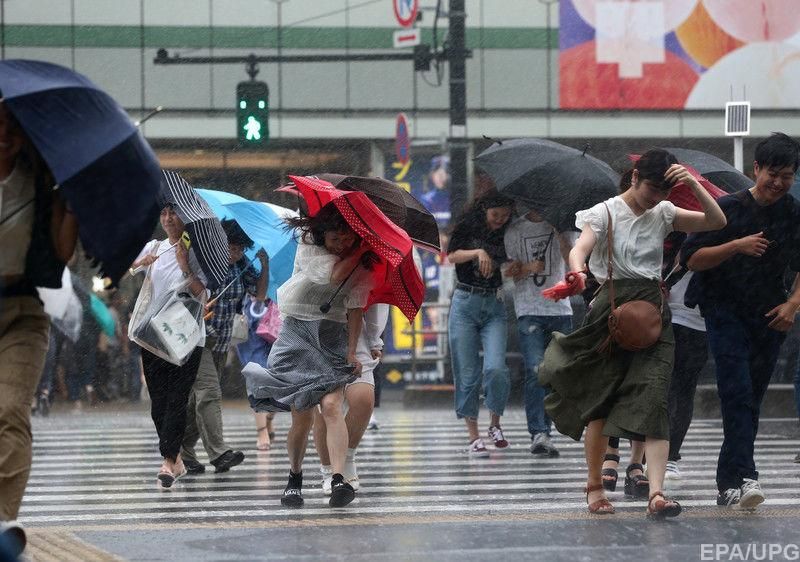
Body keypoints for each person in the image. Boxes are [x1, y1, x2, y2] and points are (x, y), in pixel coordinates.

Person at [539, 149, 725, 518]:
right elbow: (581, 249)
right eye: (652, 188)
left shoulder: (665, 213)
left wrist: (691, 183)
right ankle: (594, 487)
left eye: (664, 190)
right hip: (609, 311)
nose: (656, 197)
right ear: (636, 177)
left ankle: (657, 493)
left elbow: (717, 221)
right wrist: (576, 272)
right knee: (600, 405)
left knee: (654, 400)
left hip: (653, 313)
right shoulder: (604, 212)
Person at [682, 133, 800, 509]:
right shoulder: (727, 208)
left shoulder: (793, 212)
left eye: (787, 175)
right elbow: (691, 259)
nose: (779, 182)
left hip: (769, 316)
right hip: (723, 311)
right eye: (773, 173)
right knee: (736, 391)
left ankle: (728, 483)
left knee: (750, 399)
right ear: (756, 168)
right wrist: (736, 245)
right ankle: (746, 476)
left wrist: (793, 305)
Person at [243, 204, 376, 508]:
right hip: (297, 332)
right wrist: (360, 251)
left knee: (331, 405)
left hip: (333, 336)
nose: (340, 245)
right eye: (334, 240)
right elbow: (332, 276)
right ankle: (294, 476)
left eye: (346, 239)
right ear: (322, 235)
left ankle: (338, 479)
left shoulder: (363, 263)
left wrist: (353, 350)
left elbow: (355, 308)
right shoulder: (308, 245)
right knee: (302, 417)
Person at [0, 103, 78, 556]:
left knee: (10, 409)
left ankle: (4, 518)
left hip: (23, 312)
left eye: (14, 126)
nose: (6, 134)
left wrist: (71, 205)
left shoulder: (42, 184)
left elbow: (61, 254)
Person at [129, 204, 209, 488]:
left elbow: (204, 295)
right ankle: (175, 460)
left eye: (174, 213)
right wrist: (141, 263)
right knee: (159, 400)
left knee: (177, 398)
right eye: (163, 214)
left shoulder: (199, 252)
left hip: (187, 337)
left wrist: (186, 265)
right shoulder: (155, 246)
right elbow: (127, 269)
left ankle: (168, 459)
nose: (168, 218)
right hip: (153, 334)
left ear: (185, 217)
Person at [180, 219, 267, 474]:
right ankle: (219, 453)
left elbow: (259, 295)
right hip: (197, 338)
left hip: (221, 340)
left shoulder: (241, 267)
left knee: (197, 398)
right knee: (209, 393)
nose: (235, 253)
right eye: (230, 247)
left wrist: (264, 264)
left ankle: (181, 449)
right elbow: (188, 292)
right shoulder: (205, 263)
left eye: (240, 248)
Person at [446, 191, 515, 457]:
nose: (500, 220)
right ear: (484, 210)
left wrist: (520, 267)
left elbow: (510, 265)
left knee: (497, 368)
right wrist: (478, 252)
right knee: (467, 372)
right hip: (464, 302)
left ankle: (495, 425)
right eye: (495, 215)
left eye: (505, 216)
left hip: (494, 304)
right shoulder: (467, 227)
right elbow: (451, 256)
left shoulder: (509, 232)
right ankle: (473, 436)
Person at [504, 208, 574, 458]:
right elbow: (508, 271)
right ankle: (539, 432)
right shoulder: (515, 229)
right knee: (535, 369)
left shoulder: (564, 226)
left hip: (560, 309)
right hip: (529, 309)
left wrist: (558, 232)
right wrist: (526, 268)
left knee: (557, 372)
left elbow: (573, 260)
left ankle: (549, 426)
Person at [314, 304, 390, 494]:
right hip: (318, 330)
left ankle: (346, 457)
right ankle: (328, 470)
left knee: (363, 399)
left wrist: (374, 340)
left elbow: (377, 302)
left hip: (356, 332)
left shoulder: (365, 273)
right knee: (327, 406)